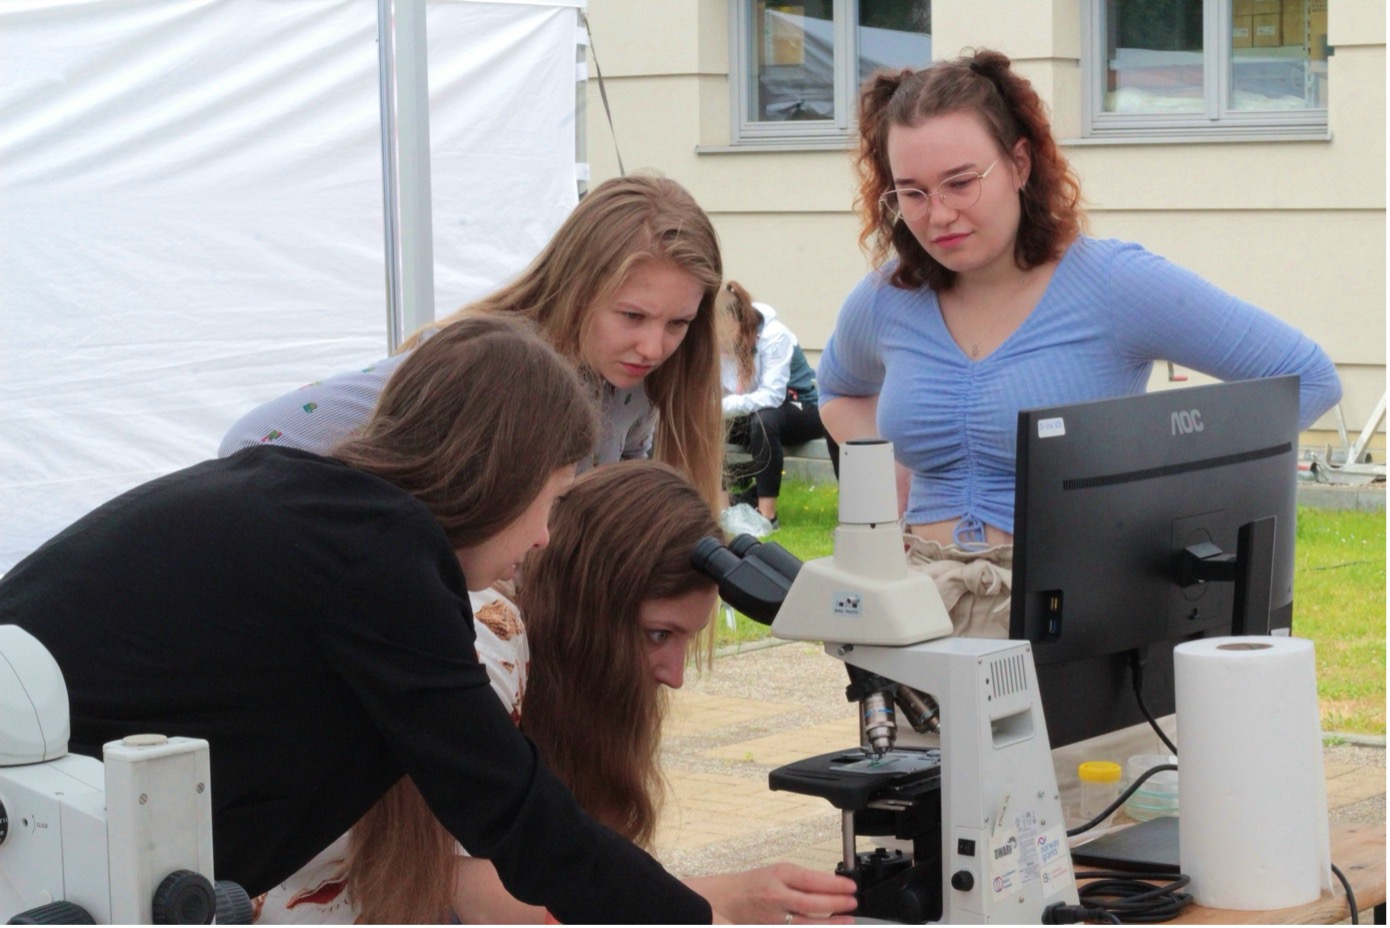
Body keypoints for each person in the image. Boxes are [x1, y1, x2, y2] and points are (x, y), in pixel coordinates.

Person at [0, 316, 716, 924]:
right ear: (506, 474)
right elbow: (509, 807)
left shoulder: (312, 508)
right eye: (552, 500)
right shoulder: (377, 554)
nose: (544, 539)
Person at [817, 48, 1341, 637]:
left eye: (961, 183)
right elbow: (839, 390)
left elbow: (1308, 377)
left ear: (1019, 165)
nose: (938, 215)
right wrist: (892, 482)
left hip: (1074, 619)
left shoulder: (1115, 283)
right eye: (912, 193)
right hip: (917, 611)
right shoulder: (888, 297)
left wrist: (1157, 493)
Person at [255, 462, 857, 924]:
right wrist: (709, 898)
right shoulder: (484, 640)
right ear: (591, 607)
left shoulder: (558, 679)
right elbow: (451, 880)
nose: (673, 674)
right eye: (657, 635)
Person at [219, 173, 726, 512]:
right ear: (576, 287)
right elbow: (256, 439)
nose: (653, 348)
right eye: (632, 316)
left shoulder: (637, 387)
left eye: (677, 325)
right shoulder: (482, 363)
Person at [719, 281, 840, 529]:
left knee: (763, 421)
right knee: (705, 426)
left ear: (742, 325)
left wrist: (721, 406)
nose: (720, 342)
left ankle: (767, 516)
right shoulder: (719, 344)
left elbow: (772, 397)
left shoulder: (775, 335)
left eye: (724, 335)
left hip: (800, 409)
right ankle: (723, 510)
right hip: (753, 414)